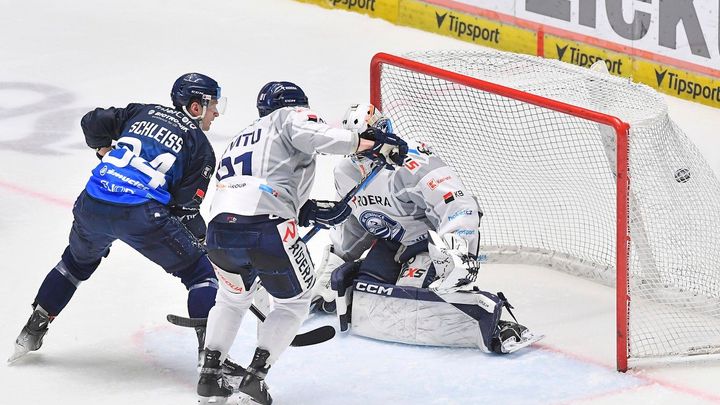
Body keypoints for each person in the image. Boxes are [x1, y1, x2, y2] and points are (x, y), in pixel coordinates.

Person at [196, 82, 408, 405]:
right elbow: (319, 136)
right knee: (294, 303)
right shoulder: (289, 116)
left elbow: (259, 181)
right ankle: (255, 376)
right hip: (265, 226)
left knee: (230, 299)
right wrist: (368, 143)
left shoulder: (242, 137)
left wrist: (302, 210)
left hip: (219, 231)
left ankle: (210, 375)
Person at [9, 73, 226, 364]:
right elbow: (184, 208)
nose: (217, 112)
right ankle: (211, 362)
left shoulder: (141, 112)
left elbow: (92, 121)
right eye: (213, 105)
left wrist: (102, 149)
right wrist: (205, 243)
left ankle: (31, 331)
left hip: (92, 203)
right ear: (196, 107)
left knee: (74, 263)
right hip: (142, 214)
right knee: (200, 274)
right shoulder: (201, 148)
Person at [310, 103, 540, 355]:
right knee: (369, 298)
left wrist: (457, 252)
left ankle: (495, 325)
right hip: (391, 244)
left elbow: (458, 204)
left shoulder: (414, 160)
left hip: (428, 245)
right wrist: (335, 264)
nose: (363, 149)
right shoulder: (346, 172)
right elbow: (354, 224)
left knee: (410, 303)